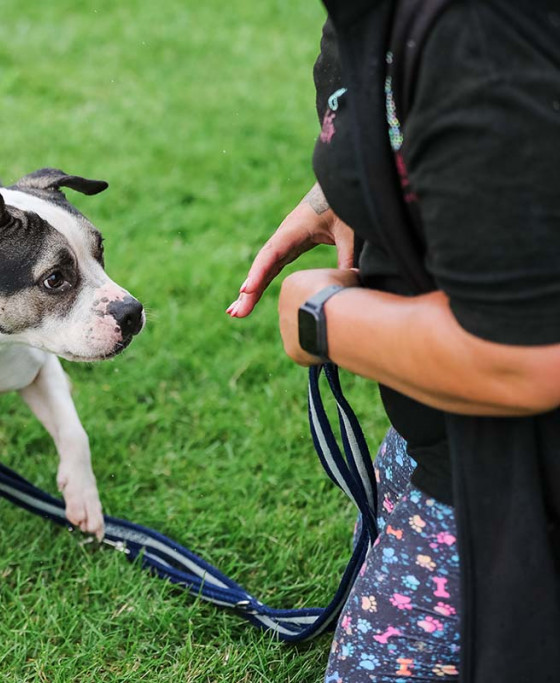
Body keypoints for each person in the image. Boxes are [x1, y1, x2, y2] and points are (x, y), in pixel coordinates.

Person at [228, 1, 560, 681]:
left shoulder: (479, 30)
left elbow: (528, 355)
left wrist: (323, 316)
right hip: (449, 434)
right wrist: (348, 189)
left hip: (517, 462)